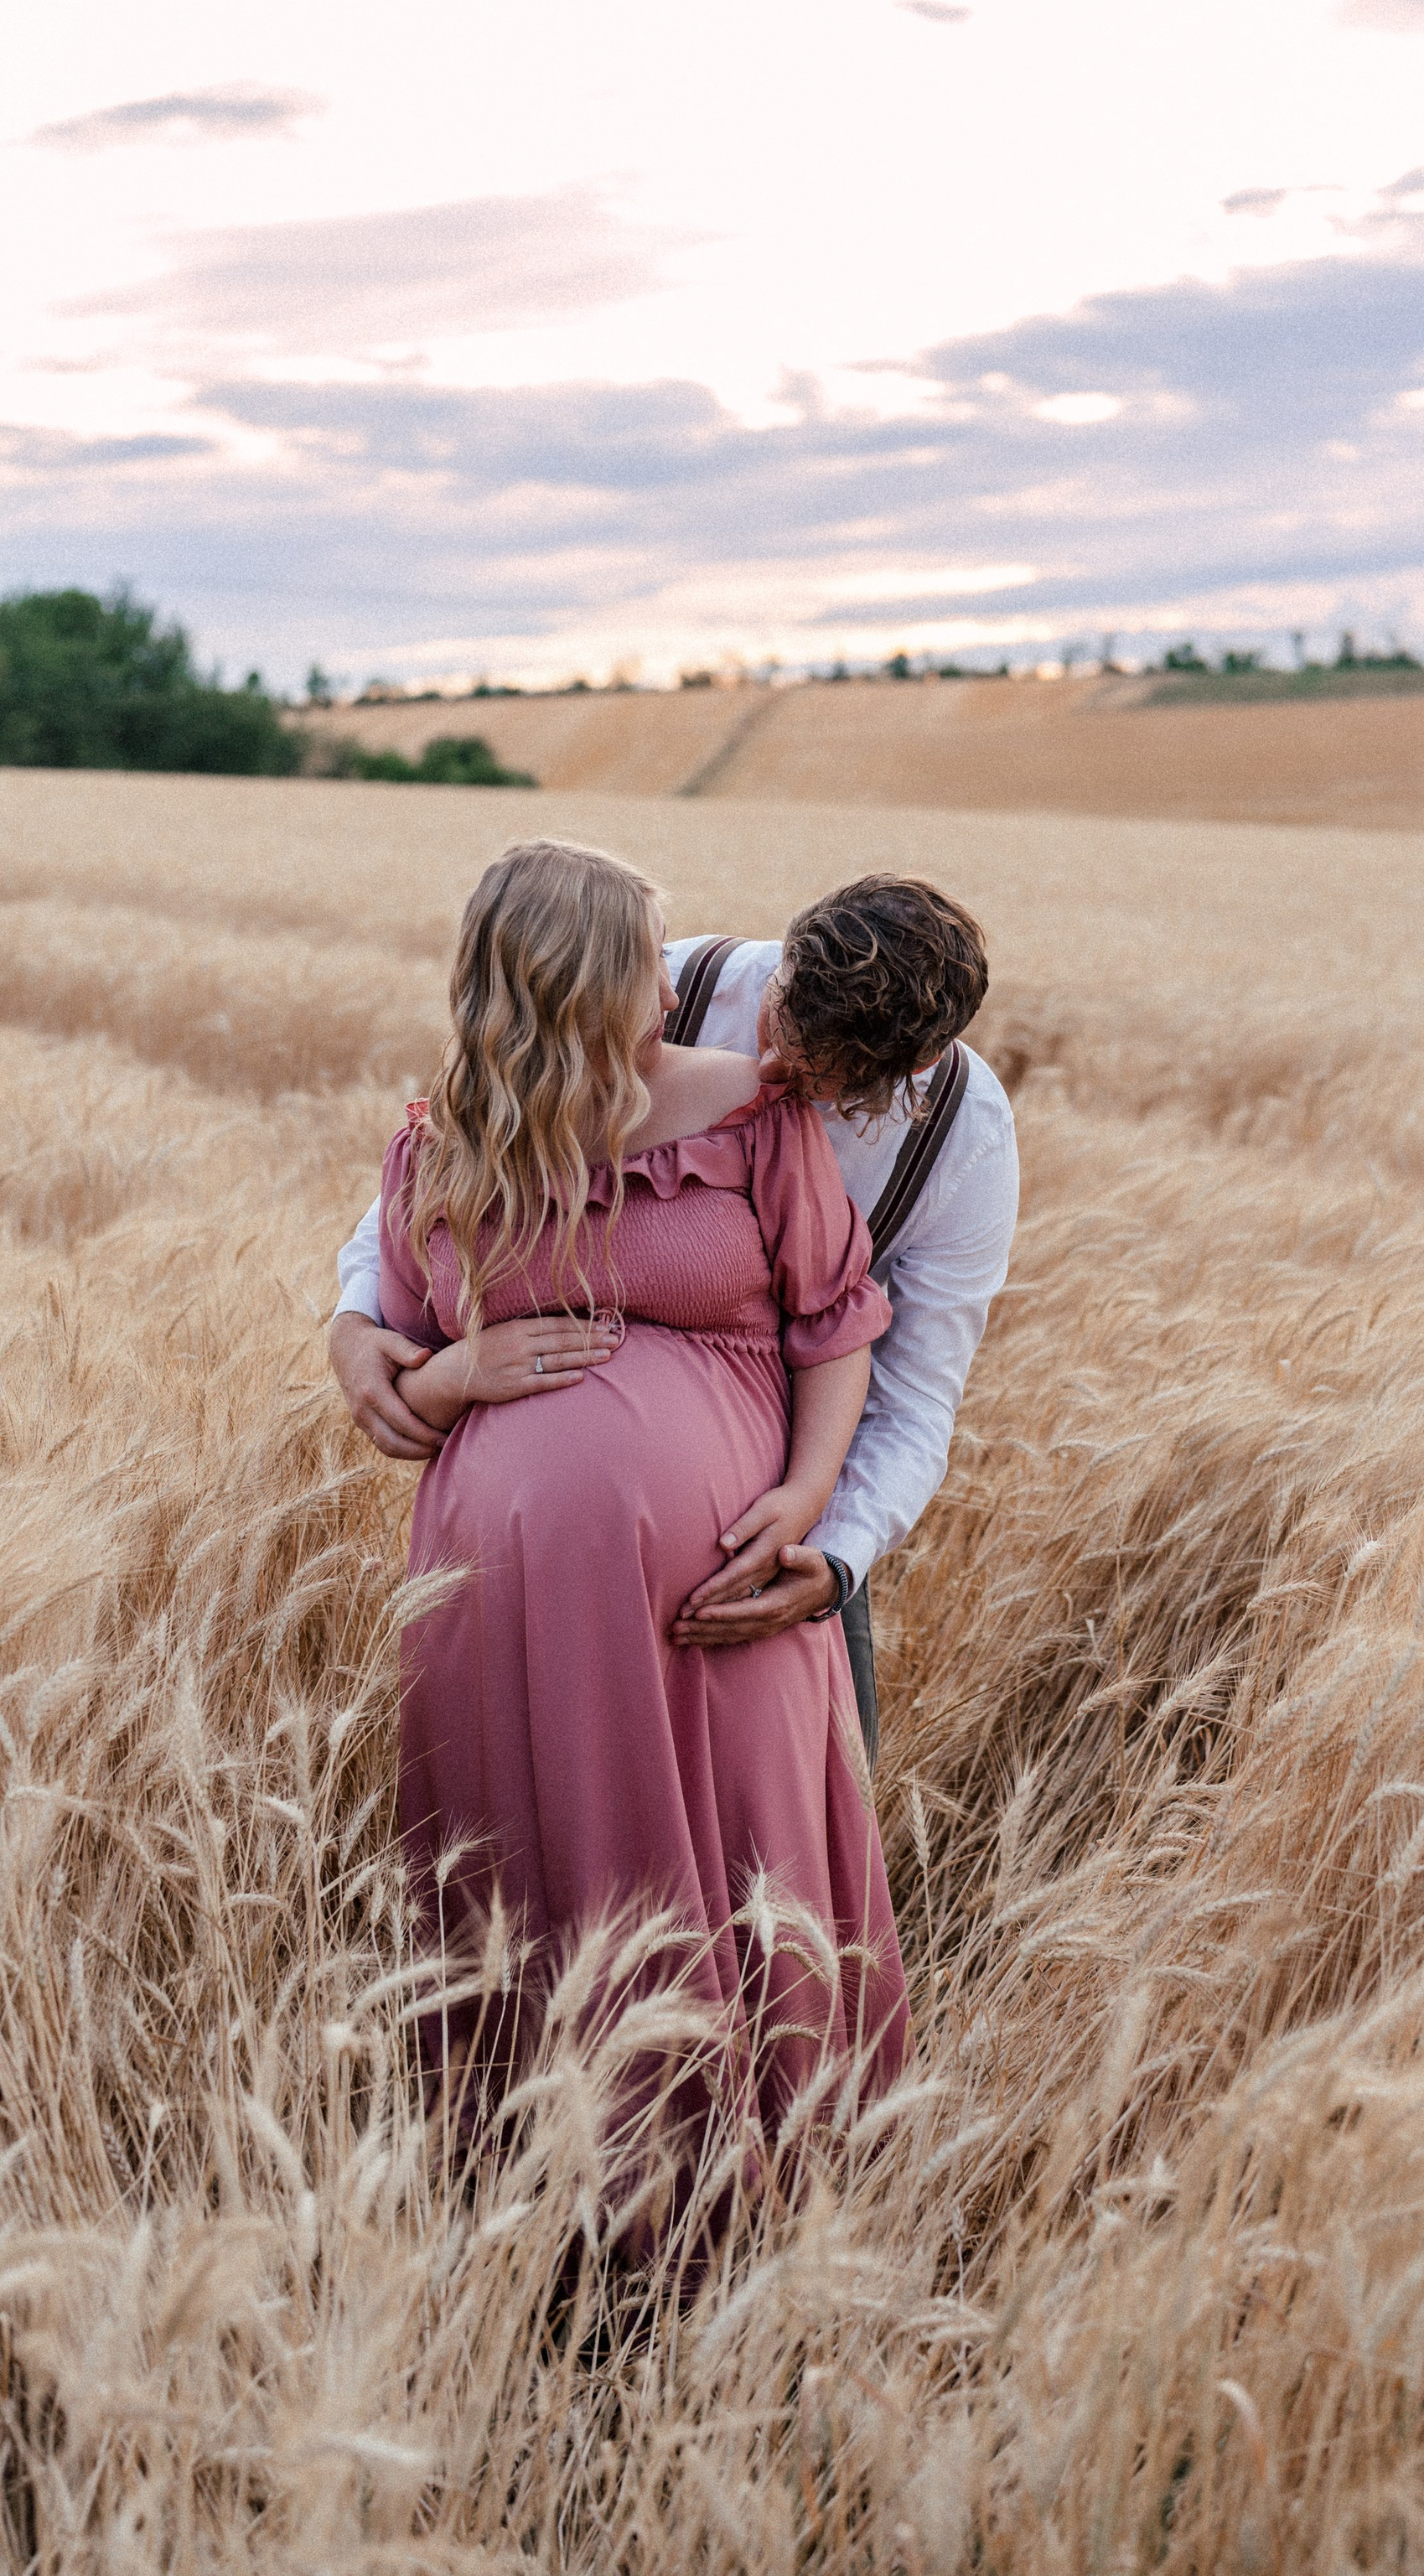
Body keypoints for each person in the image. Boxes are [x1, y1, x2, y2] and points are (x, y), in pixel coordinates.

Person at [379, 836, 908, 2136]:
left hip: (711, 1591)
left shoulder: (752, 1111)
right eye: (641, 961)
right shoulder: (438, 1146)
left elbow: (840, 1321)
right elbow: (389, 1358)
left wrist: (809, 1497)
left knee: (743, 1862)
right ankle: (544, 2180)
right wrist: (457, 1379)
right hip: (509, 1602)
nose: (667, 987)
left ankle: (767, 2158)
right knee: (532, 1872)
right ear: (578, 979)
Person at [330, 873, 1019, 1757]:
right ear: (783, 962)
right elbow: (465, 1149)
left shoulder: (963, 1138)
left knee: (822, 1792)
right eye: (778, 1032)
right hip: (528, 1552)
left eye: (828, 1083)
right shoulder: (663, 984)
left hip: (770, 1525)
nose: (770, 1076)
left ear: (914, 1068)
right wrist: (354, 1321)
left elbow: (918, 1392)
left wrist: (831, 1548)